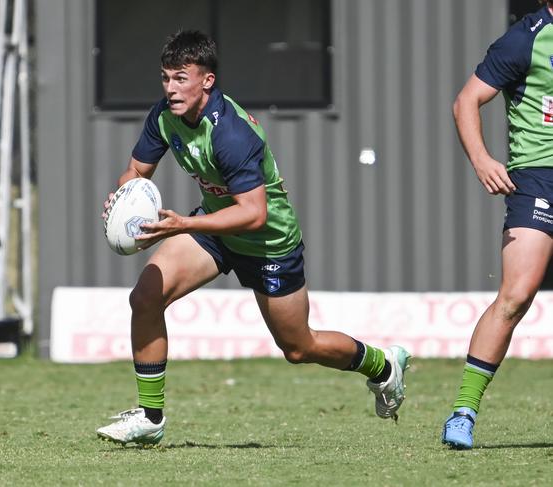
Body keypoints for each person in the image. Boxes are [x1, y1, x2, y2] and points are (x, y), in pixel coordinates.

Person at [97, 30, 410, 446]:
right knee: (145, 297)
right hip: (214, 231)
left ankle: (383, 366)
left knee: (299, 347)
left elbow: (253, 213)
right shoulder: (163, 116)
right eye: (166, 78)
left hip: (268, 243)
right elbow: (136, 173)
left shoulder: (230, 133)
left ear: (206, 80)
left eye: (181, 78)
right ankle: (150, 418)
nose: (171, 88)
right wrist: (124, 201)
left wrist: (182, 224)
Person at [442, 0, 553, 450]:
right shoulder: (525, 38)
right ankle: (463, 413)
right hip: (538, 178)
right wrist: (482, 159)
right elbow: (467, 100)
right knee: (516, 295)